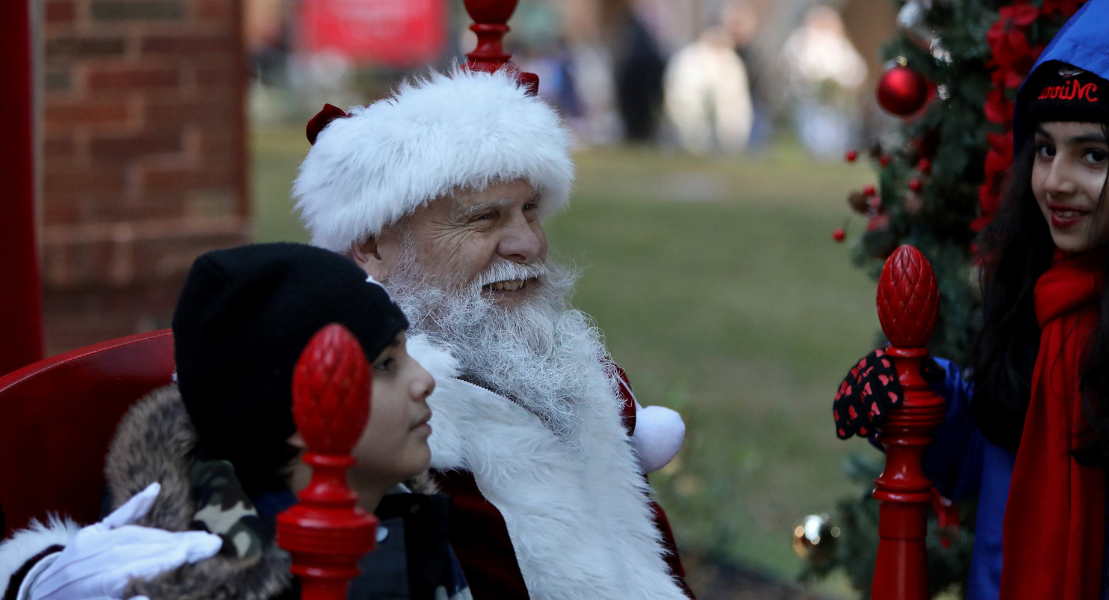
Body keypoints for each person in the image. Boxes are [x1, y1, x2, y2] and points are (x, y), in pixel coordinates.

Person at [294, 67, 691, 600]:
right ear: (372, 246)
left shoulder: (559, 364)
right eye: (484, 219)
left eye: (530, 210)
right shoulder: (378, 433)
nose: (527, 244)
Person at [832, 1, 1109, 599]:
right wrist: (919, 396)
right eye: (1045, 149)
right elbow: (995, 460)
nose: (1055, 181)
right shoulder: (1039, 297)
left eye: (1093, 154)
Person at [0, 243, 471, 600]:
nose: (425, 380)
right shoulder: (198, 579)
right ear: (296, 412)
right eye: (385, 364)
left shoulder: (408, 518)